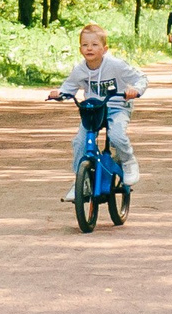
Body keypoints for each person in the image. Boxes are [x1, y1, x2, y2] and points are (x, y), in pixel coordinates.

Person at [50, 22, 147, 200]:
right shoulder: (80, 69)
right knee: (79, 142)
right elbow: (69, 87)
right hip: (94, 110)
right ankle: (81, 180)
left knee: (117, 135)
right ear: (80, 49)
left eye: (95, 45)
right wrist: (59, 93)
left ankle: (128, 162)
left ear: (104, 49)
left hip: (117, 106)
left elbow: (140, 78)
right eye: (85, 45)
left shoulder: (115, 65)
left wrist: (136, 90)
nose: (89, 48)